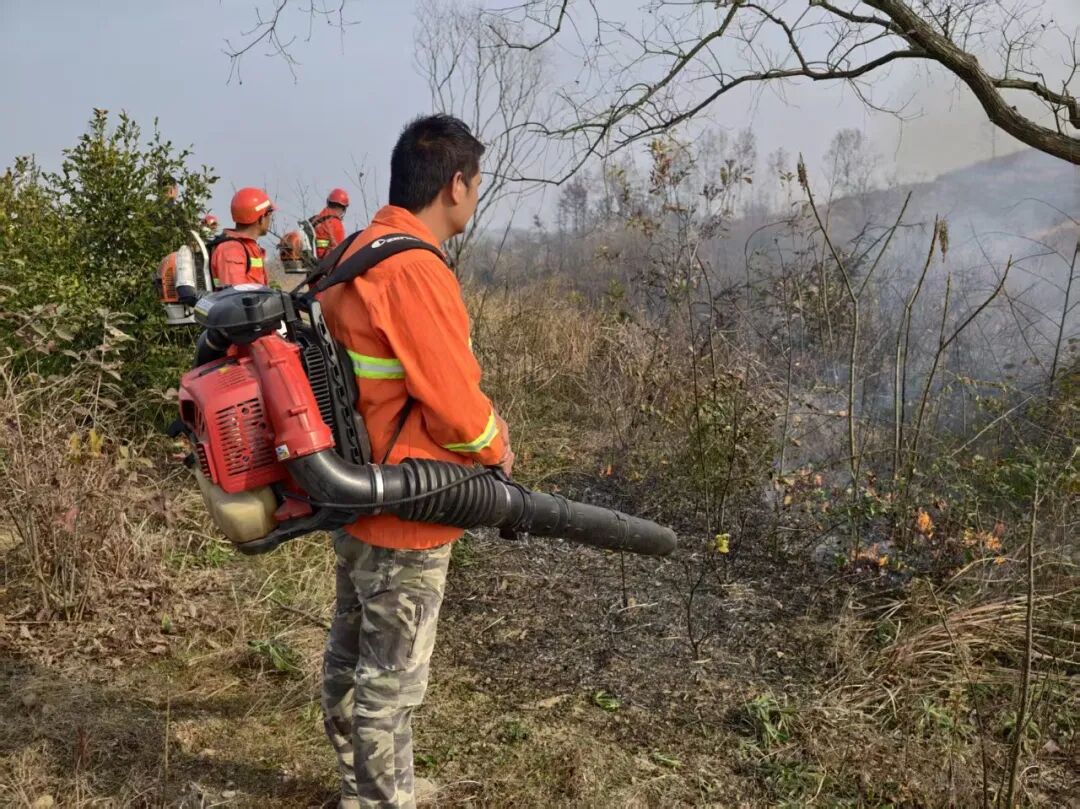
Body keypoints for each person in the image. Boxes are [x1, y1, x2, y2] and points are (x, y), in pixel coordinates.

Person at [319, 115, 512, 809]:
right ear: (455, 184)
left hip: (353, 493)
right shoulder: (414, 271)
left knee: (352, 656)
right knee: (390, 684)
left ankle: (378, 782)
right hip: (407, 511)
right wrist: (498, 446)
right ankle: (378, 800)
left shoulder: (356, 252)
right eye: (477, 184)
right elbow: (458, 409)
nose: (476, 196)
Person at [209, 187, 275, 288]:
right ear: (261, 218)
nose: (270, 220)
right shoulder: (232, 250)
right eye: (269, 215)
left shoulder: (247, 247)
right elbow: (235, 294)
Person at [309, 188, 349, 259]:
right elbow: (340, 252)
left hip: (314, 260)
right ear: (343, 208)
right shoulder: (336, 223)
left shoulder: (317, 219)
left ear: (328, 202)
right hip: (326, 262)